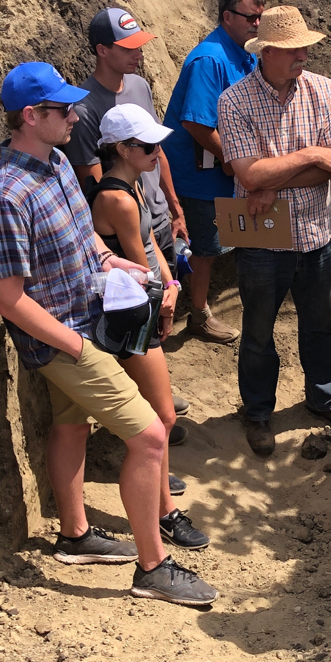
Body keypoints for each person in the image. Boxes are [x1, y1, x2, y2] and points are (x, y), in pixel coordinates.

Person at [0, 61, 217, 605]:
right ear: (31, 116)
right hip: (64, 340)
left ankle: (75, 535)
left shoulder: (58, 162)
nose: (75, 116)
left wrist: (112, 262)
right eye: (63, 109)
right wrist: (74, 345)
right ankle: (153, 568)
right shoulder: (5, 196)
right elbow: (7, 299)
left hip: (84, 322)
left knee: (71, 427)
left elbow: (85, 239)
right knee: (150, 435)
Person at [217, 6, 331, 457]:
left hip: (316, 233)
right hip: (263, 241)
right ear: (266, 52)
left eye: (304, 48)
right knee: (258, 330)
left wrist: (271, 181)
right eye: (293, 49)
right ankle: (258, 411)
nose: (303, 55)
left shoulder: (322, 89)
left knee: (319, 323)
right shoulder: (234, 102)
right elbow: (248, 174)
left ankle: (324, 398)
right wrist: (309, 155)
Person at [59, 5, 192, 433]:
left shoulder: (139, 86)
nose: (139, 53)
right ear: (102, 50)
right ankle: (150, 414)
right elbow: (95, 184)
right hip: (125, 236)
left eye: (140, 45)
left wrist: (173, 206)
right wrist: (161, 284)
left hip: (150, 219)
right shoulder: (83, 109)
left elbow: (158, 154)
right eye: (128, 47)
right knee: (140, 325)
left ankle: (156, 394)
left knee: (154, 325)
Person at [87, 103, 209, 551]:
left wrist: (172, 284)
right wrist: (164, 297)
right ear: (122, 148)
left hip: (147, 306)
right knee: (162, 416)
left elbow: (152, 243)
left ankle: (160, 491)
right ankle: (164, 515)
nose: (158, 152)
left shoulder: (131, 186)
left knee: (158, 416)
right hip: (132, 317)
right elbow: (139, 263)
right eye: (148, 146)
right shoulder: (116, 199)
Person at [161, 0, 269, 344]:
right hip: (200, 176)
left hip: (225, 168)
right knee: (205, 248)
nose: (258, 24)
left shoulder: (244, 52)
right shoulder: (210, 59)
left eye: (261, 16)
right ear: (227, 17)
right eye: (251, 17)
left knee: (232, 236)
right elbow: (195, 122)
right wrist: (235, 160)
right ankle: (198, 315)